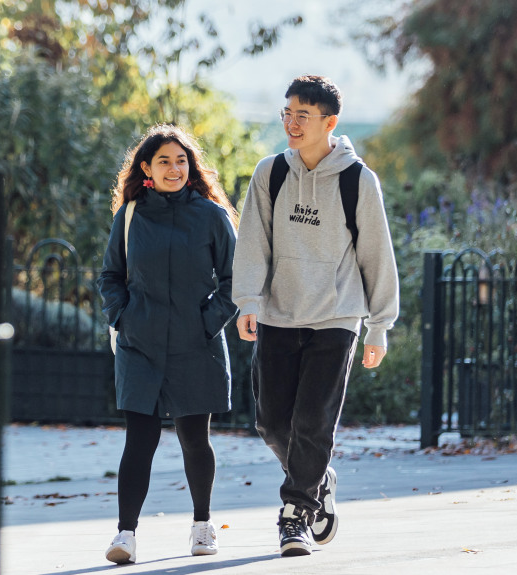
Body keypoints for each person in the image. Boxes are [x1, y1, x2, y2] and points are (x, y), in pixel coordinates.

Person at [233, 76, 400, 557]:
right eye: (287, 112)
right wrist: (247, 300)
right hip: (279, 315)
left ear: (329, 122)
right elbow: (253, 242)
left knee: (312, 424)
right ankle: (316, 475)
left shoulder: (357, 180)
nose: (291, 122)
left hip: (336, 317)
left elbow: (376, 255)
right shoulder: (271, 173)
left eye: (302, 115)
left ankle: (296, 512)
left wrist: (378, 327)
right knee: (270, 423)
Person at [97, 124, 240, 565]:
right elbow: (110, 277)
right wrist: (123, 317)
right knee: (138, 441)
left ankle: (202, 525)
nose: (174, 168)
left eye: (181, 160)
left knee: (195, 439)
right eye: (164, 161)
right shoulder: (131, 216)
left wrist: (206, 323)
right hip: (139, 346)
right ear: (146, 168)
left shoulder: (212, 216)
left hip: (195, 346)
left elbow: (238, 281)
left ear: (190, 166)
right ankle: (125, 535)